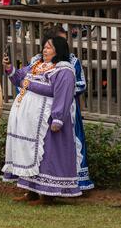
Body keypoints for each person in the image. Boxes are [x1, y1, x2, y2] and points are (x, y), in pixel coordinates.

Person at [2, 37, 82, 205]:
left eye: (49, 47)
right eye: (44, 47)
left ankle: (47, 195)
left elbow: (63, 94)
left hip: (47, 119)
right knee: (30, 152)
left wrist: (58, 118)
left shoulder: (64, 70)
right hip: (30, 120)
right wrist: (9, 69)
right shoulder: (36, 66)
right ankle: (31, 191)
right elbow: (19, 79)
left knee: (46, 154)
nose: (45, 50)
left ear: (58, 51)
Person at [29, 25, 94, 192]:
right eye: (60, 40)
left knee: (71, 144)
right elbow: (27, 80)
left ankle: (76, 182)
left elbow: (81, 84)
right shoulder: (36, 60)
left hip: (67, 109)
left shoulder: (71, 61)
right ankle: (36, 185)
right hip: (38, 109)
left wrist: (60, 90)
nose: (65, 43)